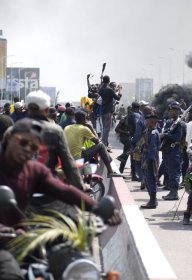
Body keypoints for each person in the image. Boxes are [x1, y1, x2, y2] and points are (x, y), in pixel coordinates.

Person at [0, 118, 121, 280]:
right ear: (9, 138)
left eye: (33, 146)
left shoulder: (33, 169)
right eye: (23, 142)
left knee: (74, 264)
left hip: (23, 236)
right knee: (10, 275)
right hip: (3, 242)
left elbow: (64, 191)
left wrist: (97, 208)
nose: (28, 149)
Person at [25, 90, 84, 190]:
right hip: (47, 187)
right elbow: (68, 163)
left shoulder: (14, 129)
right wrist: (81, 186)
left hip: (21, 187)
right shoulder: (55, 131)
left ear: (27, 108)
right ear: (47, 110)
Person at [64, 111, 119, 177]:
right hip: (78, 159)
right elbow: (97, 142)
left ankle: (92, 169)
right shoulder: (84, 129)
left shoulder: (67, 127)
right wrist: (90, 127)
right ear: (83, 119)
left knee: (85, 149)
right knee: (101, 146)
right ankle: (110, 171)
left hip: (67, 158)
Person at [161, 103, 185, 201]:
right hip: (167, 150)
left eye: (173, 111)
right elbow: (166, 131)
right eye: (170, 111)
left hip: (175, 150)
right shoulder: (170, 122)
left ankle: (174, 192)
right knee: (170, 171)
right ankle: (171, 191)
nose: (170, 113)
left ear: (178, 112)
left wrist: (165, 135)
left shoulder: (180, 124)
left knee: (174, 172)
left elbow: (177, 137)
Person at [140, 114, 161, 209]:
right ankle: (153, 200)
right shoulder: (148, 132)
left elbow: (152, 150)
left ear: (152, 122)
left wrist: (146, 162)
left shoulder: (153, 133)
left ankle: (152, 201)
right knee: (148, 179)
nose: (145, 122)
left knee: (150, 180)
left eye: (147, 121)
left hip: (150, 160)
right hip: (146, 156)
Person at [98, 75, 122, 148]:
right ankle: (104, 144)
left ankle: (104, 143)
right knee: (106, 128)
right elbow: (117, 98)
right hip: (108, 111)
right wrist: (120, 92)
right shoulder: (109, 90)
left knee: (104, 128)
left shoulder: (101, 89)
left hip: (103, 111)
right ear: (109, 81)